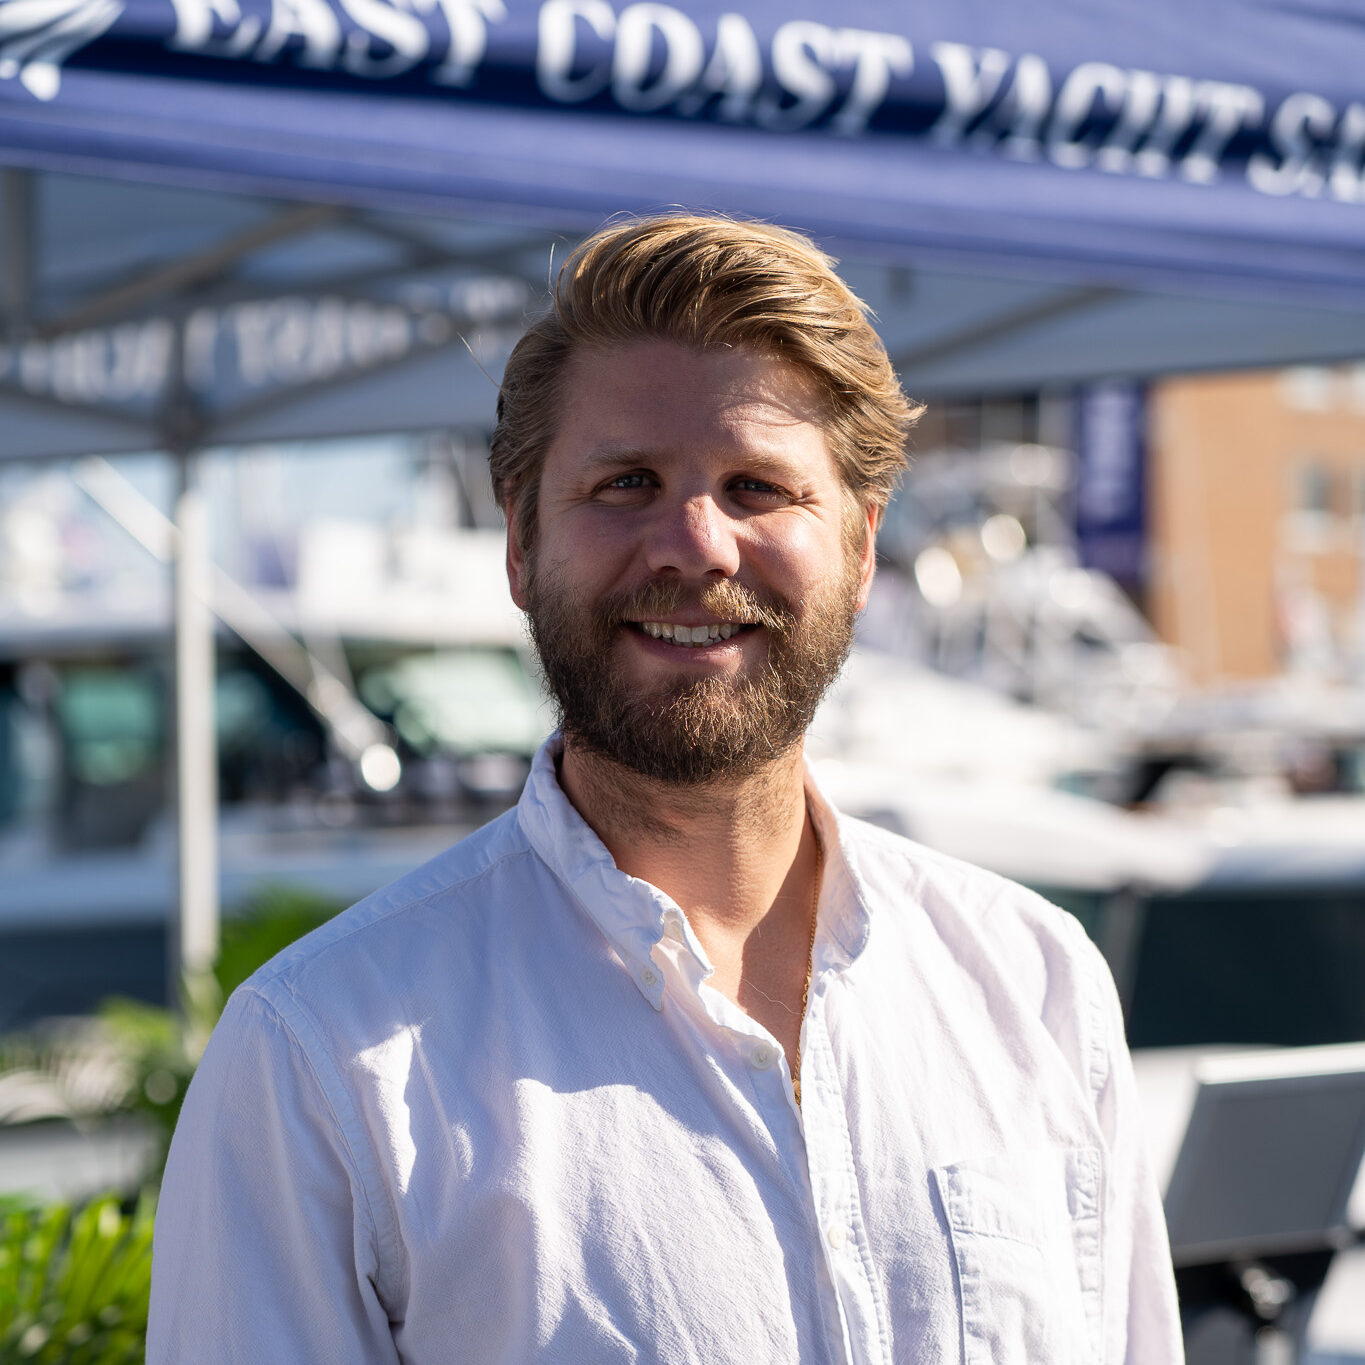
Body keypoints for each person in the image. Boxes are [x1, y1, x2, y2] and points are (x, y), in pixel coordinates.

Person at [148, 214, 1183, 1364]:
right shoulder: (323, 1062)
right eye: (625, 482)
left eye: (757, 487)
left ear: (862, 545)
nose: (695, 544)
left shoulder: (1032, 986)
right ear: (519, 544)